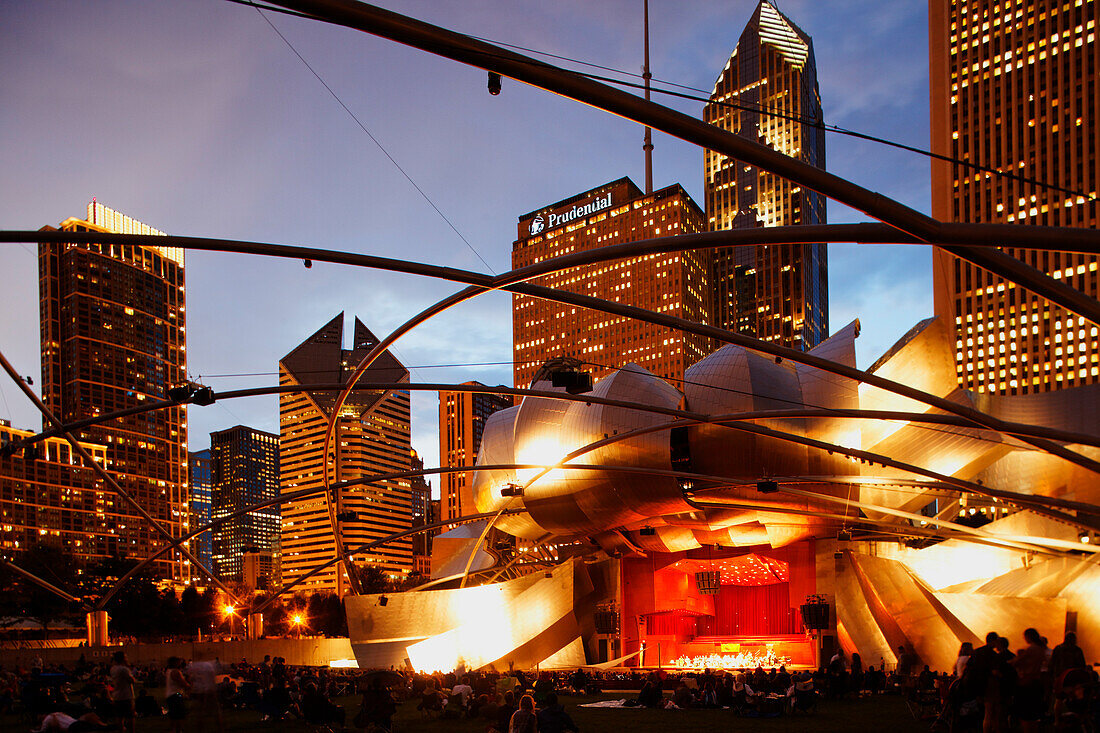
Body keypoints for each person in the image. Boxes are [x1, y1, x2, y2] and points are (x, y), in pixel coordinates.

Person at [109, 651, 136, 733]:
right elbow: (132, 680)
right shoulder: (124, 669)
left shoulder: (113, 668)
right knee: (130, 717)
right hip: (126, 696)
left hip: (117, 696)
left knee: (119, 717)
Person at [164, 656, 189, 733]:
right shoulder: (175, 672)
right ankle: (178, 730)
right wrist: (189, 685)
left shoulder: (169, 671)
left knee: (174, 717)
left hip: (171, 696)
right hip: (175, 696)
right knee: (179, 716)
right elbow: (183, 684)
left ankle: (174, 730)